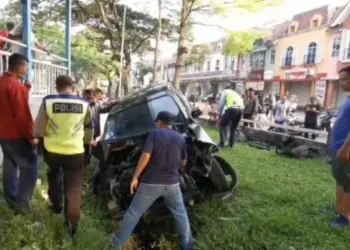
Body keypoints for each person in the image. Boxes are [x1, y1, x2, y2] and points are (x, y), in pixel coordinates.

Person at [111, 111, 193, 250]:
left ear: (160, 122)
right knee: (181, 215)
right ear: (170, 123)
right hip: (173, 184)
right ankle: (188, 246)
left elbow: (145, 157)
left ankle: (116, 245)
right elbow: (184, 162)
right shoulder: (180, 138)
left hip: (151, 183)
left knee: (133, 213)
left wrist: (135, 177)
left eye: (157, 122)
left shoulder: (154, 134)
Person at [34, 75, 93, 236]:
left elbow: (38, 130)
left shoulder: (48, 102)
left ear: (56, 87)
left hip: (52, 151)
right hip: (75, 152)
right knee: (73, 190)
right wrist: (86, 141)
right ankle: (71, 227)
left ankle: (57, 206)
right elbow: (89, 131)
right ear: (72, 86)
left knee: (53, 176)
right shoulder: (84, 104)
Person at [0, 53, 38, 213]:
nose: (27, 70)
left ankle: (10, 200)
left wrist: (26, 89)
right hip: (17, 135)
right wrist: (32, 137)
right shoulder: (15, 86)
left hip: (4, 134)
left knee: (9, 166)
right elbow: (22, 115)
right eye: (26, 67)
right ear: (18, 67)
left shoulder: (3, 81)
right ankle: (23, 206)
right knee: (29, 167)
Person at [329, 65, 350, 228]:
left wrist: (345, 148)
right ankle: (338, 209)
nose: (341, 83)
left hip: (345, 149)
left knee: (347, 183)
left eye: (344, 79)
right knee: (339, 179)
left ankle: (345, 217)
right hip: (336, 146)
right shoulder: (348, 98)